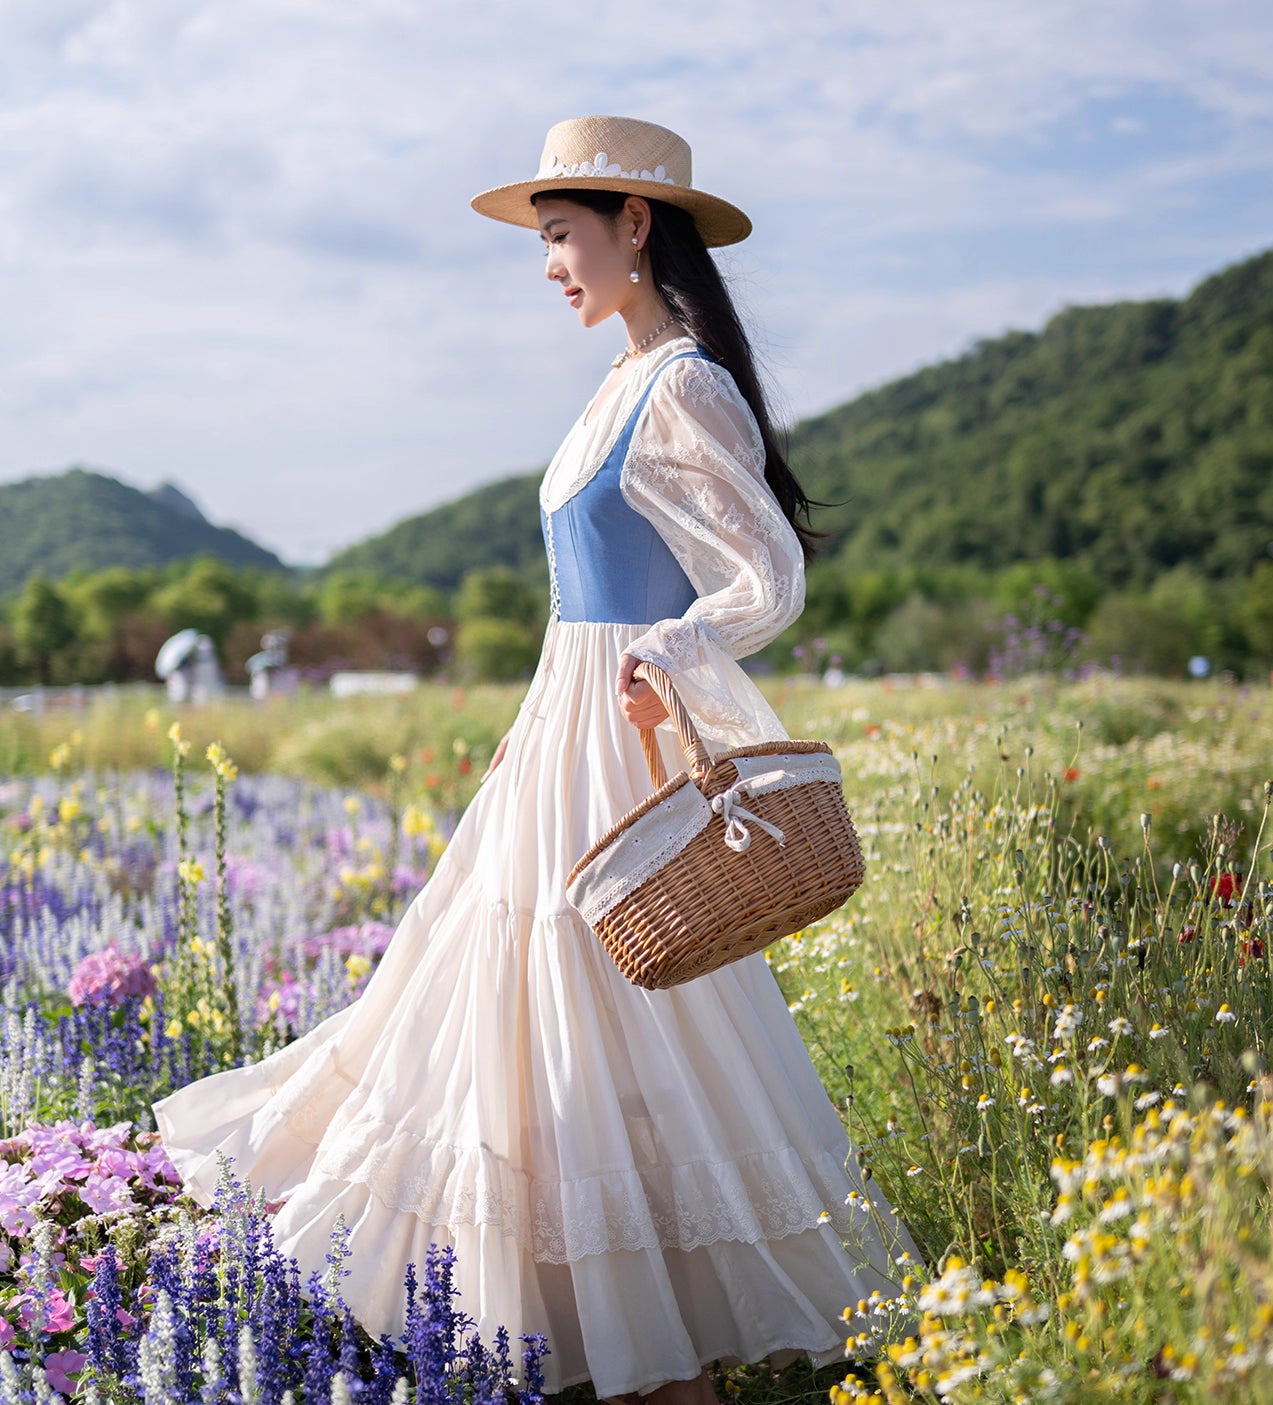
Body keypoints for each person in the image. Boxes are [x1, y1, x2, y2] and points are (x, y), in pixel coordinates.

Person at [152, 114, 918, 1401]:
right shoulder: (622, 379)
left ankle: (667, 1357)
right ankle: (630, 1347)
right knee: (536, 1023)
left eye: (562, 235)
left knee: (614, 1014)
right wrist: (538, 712)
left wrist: (671, 648)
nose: (550, 264)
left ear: (635, 225)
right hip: (565, 728)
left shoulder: (682, 382)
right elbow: (584, 597)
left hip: (621, 734)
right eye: (544, 241)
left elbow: (767, 575)